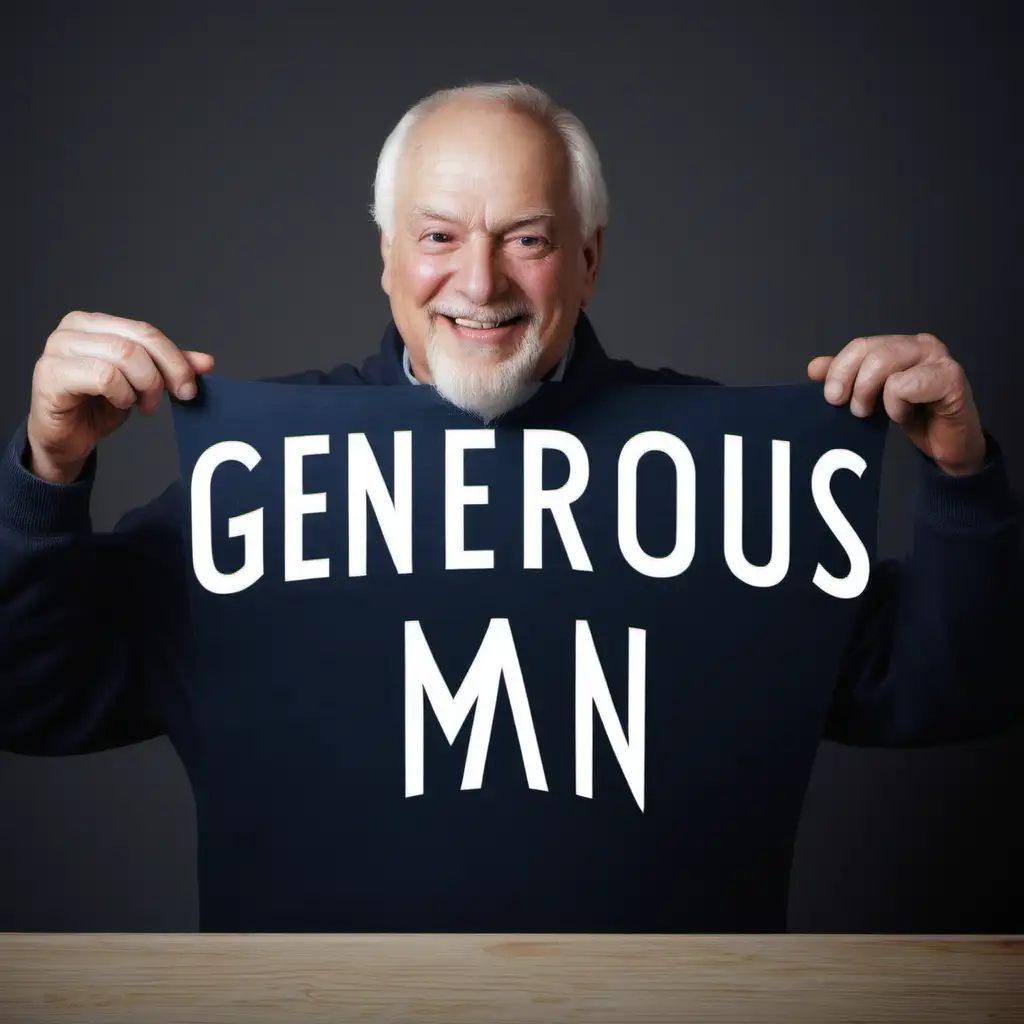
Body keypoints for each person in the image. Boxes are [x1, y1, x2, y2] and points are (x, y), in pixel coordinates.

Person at [1, 81, 1020, 932]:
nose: (478, 281)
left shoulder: (723, 473)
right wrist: (46, 472)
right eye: (438, 234)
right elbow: (36, 698)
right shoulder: (260, 480)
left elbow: (951, 687)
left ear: (588, 257)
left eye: (526, 238)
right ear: (388, 256)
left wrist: (960, 475)